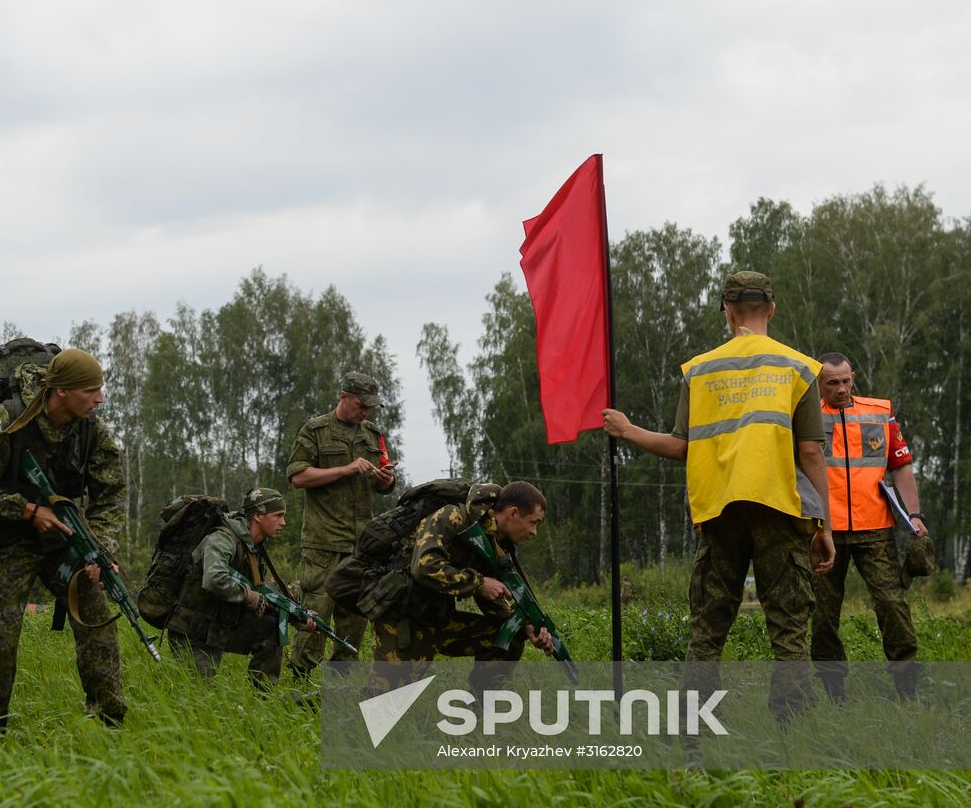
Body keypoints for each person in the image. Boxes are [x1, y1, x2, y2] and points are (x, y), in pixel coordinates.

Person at [603, 270, 835, 720]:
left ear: (727, 312)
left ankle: (694, 725)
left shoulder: (701, 369)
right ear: (771, 309)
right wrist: (822, 524)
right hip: (780, 509)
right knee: (788, 629)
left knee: (707, 630)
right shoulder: (800, 368)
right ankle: (792, 730)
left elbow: (681, 446)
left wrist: (629, 430)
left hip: (718, 512)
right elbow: (809, 452)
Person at [0, 348, 127, 733]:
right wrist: (28, 512)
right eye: (91, 390)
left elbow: (112, 495)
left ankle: (107, 725)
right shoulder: (10, 418)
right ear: (62, 391)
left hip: (66, 540)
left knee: (99, 623)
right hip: (10, 537)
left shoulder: (92, 431)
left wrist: (101, 551)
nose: (99, 398)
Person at [811, 352, 925, 699]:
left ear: (853, 376)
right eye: (833, 383)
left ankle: (907, 687)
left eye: (846, 380)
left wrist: (915, 516)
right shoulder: (806, 417)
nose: (842, 388)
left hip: (875, 527)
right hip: (823, 530)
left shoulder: (879, 412)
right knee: (823, 613)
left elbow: (901, 466)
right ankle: (834, 690)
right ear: (819, 382)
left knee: (892, 603)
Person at [372, 481, 554, 687]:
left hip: (439, 620)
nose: (534, 532)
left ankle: (480, 709)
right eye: (534, 522)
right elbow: (424, 567)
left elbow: (492, 602)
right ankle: (337, 698)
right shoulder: (452, 517)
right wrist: (479, 584)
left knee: (508, 635)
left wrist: (523, 627)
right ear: (513, 513)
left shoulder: (496, 543)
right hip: (401, 619)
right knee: (382, 705)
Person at [285, 372, 395, 676]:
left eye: (371, 407)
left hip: (361, 546)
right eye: (361, 405)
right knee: (313, 620)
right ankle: (301, 684)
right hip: (323, 545)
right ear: (344, 397)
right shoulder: (315, 431)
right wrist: (346, 469)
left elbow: (385, 484)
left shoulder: (372, 435)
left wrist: (387, 480)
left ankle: (340, 689)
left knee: (353, 626)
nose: (366, 412)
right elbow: (298, 477)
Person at [166, 488, 312, 688]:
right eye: (278, 515)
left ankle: (263, 697)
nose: (283, 523)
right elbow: (214, 578)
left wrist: (296, 617)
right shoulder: (222, 538)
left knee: (273, 626)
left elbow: (258, 592)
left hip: (220, 622)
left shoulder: (253, 546)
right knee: (199, 694)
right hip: (194, 628)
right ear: (258, 516)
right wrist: (249, 597)